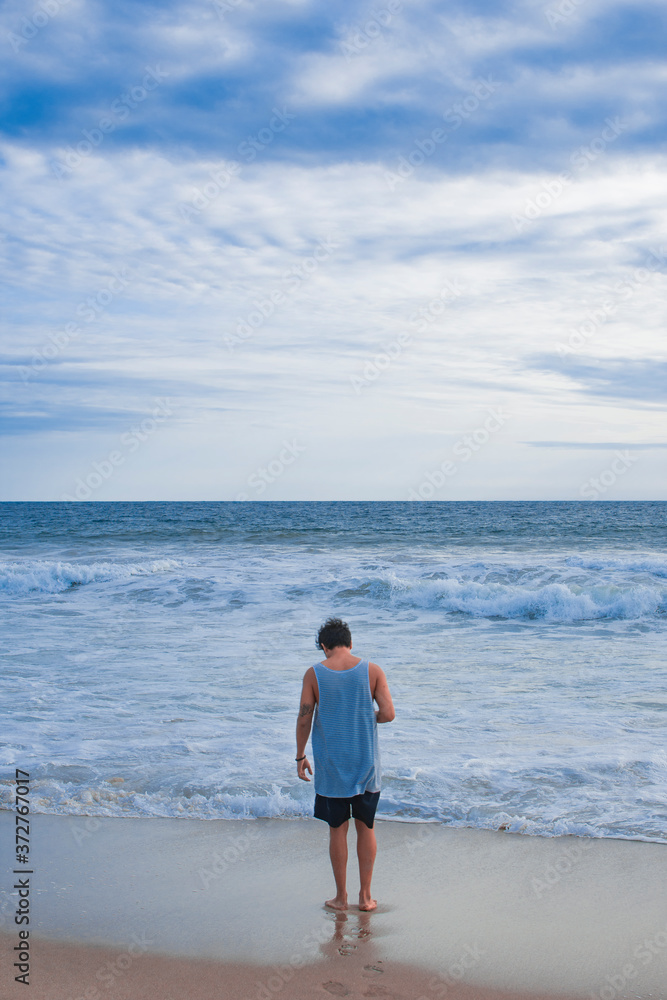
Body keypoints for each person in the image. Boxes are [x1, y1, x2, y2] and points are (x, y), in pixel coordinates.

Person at [296, 617, 395, 911]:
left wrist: (300, 756)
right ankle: (366, 898)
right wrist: (363, 716)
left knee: (337, 828)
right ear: (350, 644)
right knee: (367, 826)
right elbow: (388, 714)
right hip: (366, 765)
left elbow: (304, 718)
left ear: (324, 646)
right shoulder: (372, 671)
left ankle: (341, 898)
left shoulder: (314, 674)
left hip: (331, 768)